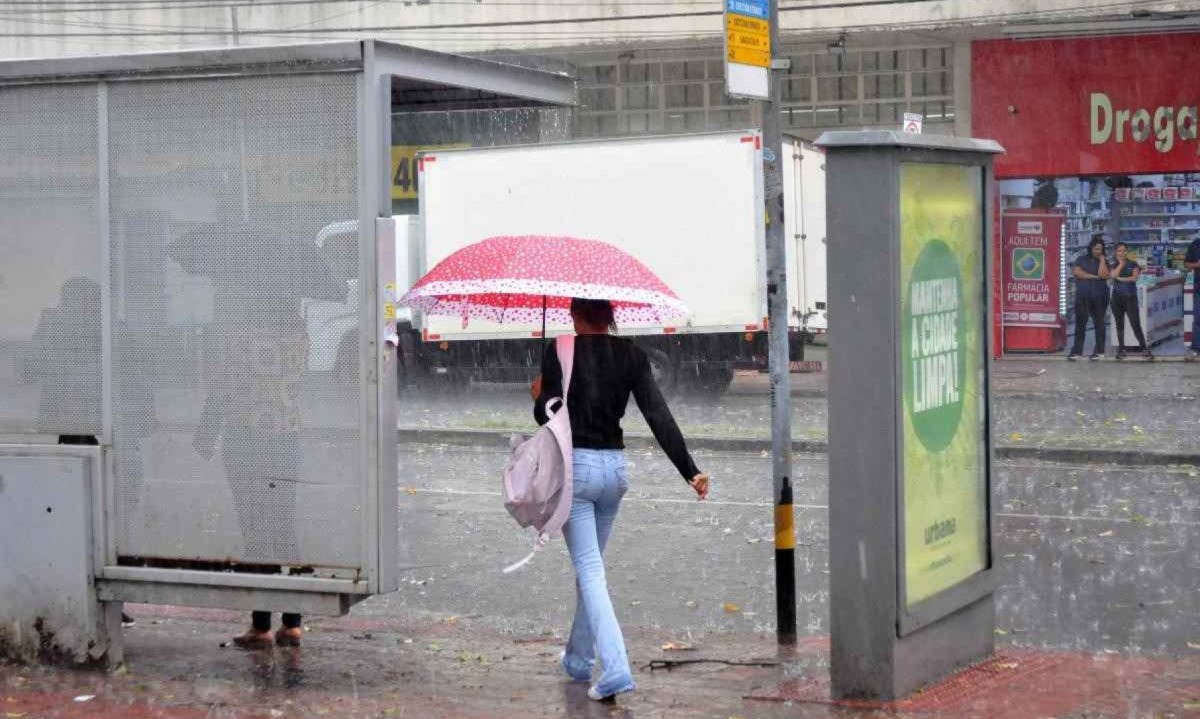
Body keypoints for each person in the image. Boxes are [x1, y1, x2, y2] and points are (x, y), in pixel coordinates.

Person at [531, 298, 709, 703]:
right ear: (609, 317)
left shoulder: (559, 349)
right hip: (615, 473)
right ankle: (578, 659)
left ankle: (615, 669)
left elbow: (548, 417)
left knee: (590, 573)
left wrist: (539, 396)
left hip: (577, 472)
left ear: (575, 316)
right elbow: (657, 413)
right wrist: (690, 470)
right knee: (589, 570)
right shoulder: (631, 353)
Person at [1069, 235, 1111, 360]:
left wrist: (1103, 260)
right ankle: (1077, 352)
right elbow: (1077, 272)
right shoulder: (1081, 259)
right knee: (1080, 324)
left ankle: (1099, 352)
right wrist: (1094, 276)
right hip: (1083, 296)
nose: (1099, 251)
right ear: (1091, 248)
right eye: (1096, 249)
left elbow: (1104, 275)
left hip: (1100, 296)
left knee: (1099, 323)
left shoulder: (1105, 261)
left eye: (1101, 249)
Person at [1110, 243, 1153, 360]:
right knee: (1119, 325)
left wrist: (1120, 278)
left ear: (1127, 252)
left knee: (1135, 324)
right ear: (1116, 252)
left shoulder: (1133, 264)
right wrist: (1120, 265)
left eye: (1124, 251)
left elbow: (1135, 278)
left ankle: (1144, 348)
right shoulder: (1113, 264)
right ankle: (1121, 349)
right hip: (1116, 299)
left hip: (1130, 298)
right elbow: (1113, 275)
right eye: (1119, 251)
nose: (1122, 253)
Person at [1185, 233, 1200, 358]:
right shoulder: (1195, 245)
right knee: (1198, 318)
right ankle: (1196, 347)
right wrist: (1197, 265)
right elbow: (1187, 264)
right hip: (1199, 287)